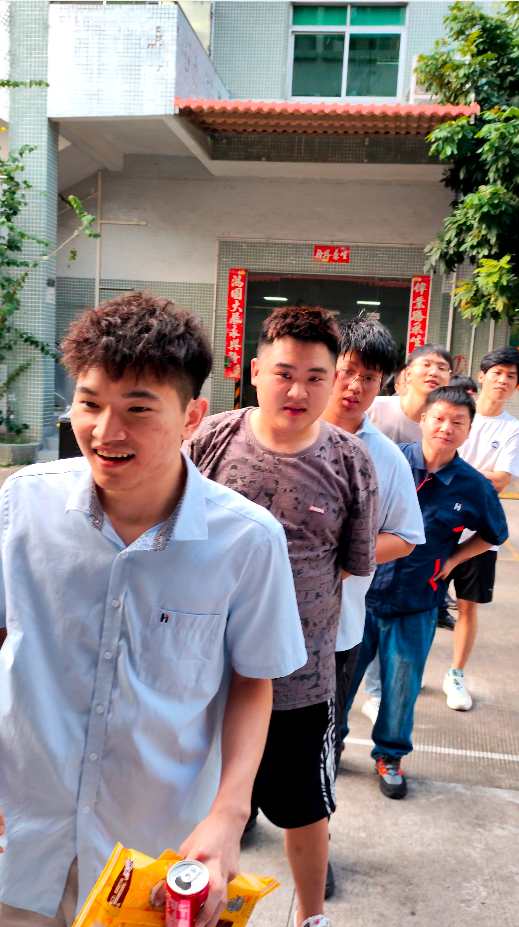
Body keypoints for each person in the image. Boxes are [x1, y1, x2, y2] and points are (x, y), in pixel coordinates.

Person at [0, 293, 308, 927]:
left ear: (193, 415)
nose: (105, 432)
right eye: (90, 403)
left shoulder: (247, 540)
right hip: (20, 833)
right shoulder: (23, 506)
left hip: (152, 857)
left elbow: (253, 681)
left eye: (138, 409)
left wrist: (228, 814)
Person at [185, 306, 378, 927]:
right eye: (284, 373)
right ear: (254, 371)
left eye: (316, 377)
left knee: (304, 807)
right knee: (194, 801)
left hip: (301, 678)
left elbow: (350, 564)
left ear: (333, 379)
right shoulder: (210, 439)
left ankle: (311, 916)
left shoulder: (351, 460)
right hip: (200, 670)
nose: (298, 391)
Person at [342, 386, 508, 799]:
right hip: (360, 596)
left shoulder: (473, 486)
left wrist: (452, 560)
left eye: (458, 422)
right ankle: (329, 744)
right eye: (438, 418)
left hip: (417, 602)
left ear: (469, 430)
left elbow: (494, 533)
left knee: (401, 687)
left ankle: (390, 755)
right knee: (339, 682)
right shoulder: (387, 459)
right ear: (422, 419)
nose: (446, 428)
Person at [321, 318, 425, 776]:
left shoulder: (386, 457)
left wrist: (339, 563)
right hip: (255, 620)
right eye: (346, 371)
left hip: (336, 630)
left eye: (369, 377)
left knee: (316, 747)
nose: (355, 386)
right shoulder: (282, 435)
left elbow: (405, 536)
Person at [362, 343, 454, 717]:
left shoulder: (443, 423)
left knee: (393, 616)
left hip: (410, 533)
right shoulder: (376, 410)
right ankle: (368, 692)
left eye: (443, 367)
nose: (434, 371)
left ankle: (378, 694)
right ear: (405, 376)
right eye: (426, 364)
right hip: (366, 523)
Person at [443, 347, 519, 711]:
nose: (503, 380)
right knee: (420, 605)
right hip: (438, 527)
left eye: (511, 377)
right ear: (482, 375)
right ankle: (408, 670)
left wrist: (454, 471)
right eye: (498, 373)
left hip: (478, 536)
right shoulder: (458, 414)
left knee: (467, 607)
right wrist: (475, 476)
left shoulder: (512, 429)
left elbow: (501, 480)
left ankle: (456, 675)